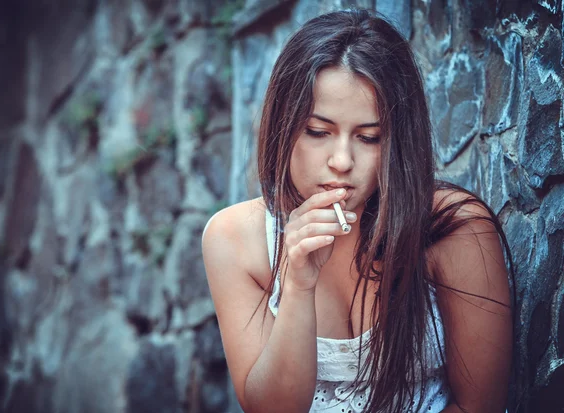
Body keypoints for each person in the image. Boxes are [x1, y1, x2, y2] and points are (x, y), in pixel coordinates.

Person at [202, 8, 513, 413]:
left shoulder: (454, 227)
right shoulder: (234, 239)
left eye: (368, 138)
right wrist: (298, 285)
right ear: (283, 125)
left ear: (397, 142)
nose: (342, 160)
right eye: (318, 132)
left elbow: (480, 406)